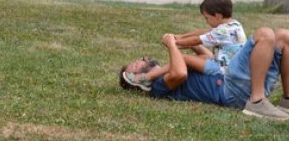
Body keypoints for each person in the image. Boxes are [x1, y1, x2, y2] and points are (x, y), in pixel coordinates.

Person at [120, 27, 289, 120]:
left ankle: (286, 102)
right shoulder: (157, 86)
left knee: (283, 36)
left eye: (139, 59)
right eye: (134, 66)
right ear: (135, 80)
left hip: (240, 83)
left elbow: (209, 58)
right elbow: (180, 73)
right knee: (265, 34)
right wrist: (172, 46)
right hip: (230, 91)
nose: (139, 60)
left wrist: (183, 41)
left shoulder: (167, 68)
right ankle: (257, 102)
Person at [122, 0, 247, 91]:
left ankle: (147, 77)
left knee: (184, 59)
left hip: (222, 70)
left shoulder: (223, 32)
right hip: (228, 68)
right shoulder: (233, 26)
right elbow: (202, 33)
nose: (206, 21)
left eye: (207, 18)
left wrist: (174, 44)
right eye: (135, 65)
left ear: (218, 16)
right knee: (185, 58)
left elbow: (196, 40)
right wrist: (180, 37)